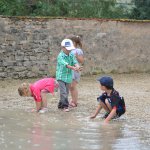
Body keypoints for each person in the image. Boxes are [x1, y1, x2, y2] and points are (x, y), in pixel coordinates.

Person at [56, 39, 81, 112]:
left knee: (66, 92)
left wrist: (77, 67)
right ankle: (65, 106)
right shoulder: (60, 56)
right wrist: (73, 67)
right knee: (63, 92)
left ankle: (60, 104)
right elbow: (65, 64)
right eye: (67, 49)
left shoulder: (71, 54)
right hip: (61, 76)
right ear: (63, 47)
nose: (69, 51)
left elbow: (75, 61)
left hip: (68, 77)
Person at [67, 35, 84, 108]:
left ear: (74, 42)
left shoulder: (78, 50)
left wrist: (77, 57)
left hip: (75, 70)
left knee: (73, 86)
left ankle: (75, 102)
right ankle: (73, 100)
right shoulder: (68, 50)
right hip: (69, 70)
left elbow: (81, 61)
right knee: (70, 86)